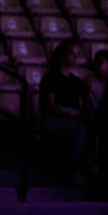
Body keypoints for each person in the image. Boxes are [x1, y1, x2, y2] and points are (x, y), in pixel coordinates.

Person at [39, 40, 88, 177]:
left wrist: (80, 114)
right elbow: (50, 106)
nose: (75, 58)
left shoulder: (76, 81)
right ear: (62, 55)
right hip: (54, 120)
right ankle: (74, 169)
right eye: (72, 54)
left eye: (76, 55)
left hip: (72, 118)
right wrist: (69, 114)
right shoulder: (51, 77)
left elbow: (80, 106)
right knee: (81, 130)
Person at [85, 49, 108, 118]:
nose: (96, 64)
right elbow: (85, 106)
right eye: (95, 62)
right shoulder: (89, 81)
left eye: (100, 62)